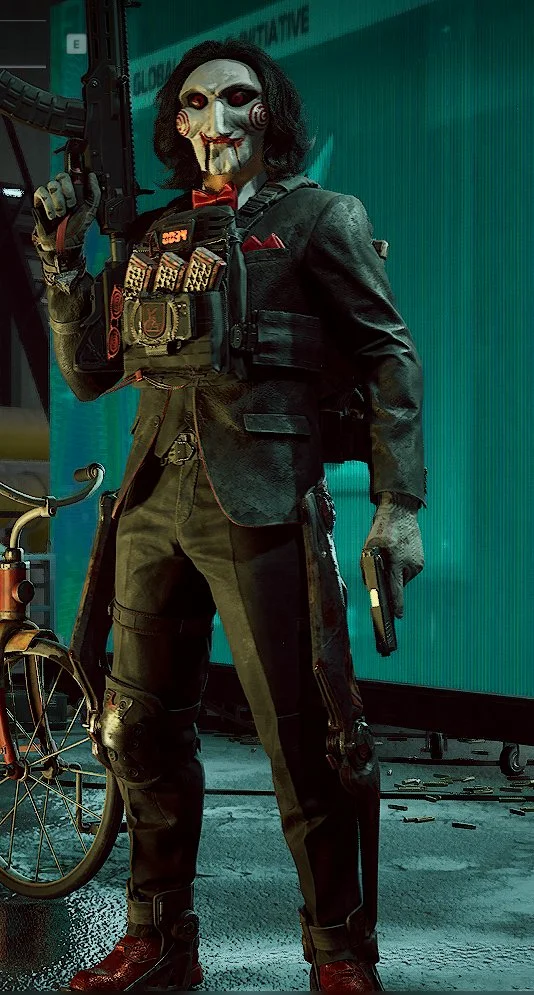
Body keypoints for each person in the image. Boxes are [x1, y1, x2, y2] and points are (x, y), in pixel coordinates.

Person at [33, 38, 425, 993]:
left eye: (236, 99)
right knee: (137, 729)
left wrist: (399, 503)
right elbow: (89, 374)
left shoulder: (320, 218)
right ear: (177, 124)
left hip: (264, 501)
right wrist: (63, 258)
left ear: (267, 112)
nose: (215, 121)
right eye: (195, 104)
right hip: (154, 501)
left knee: (303, 735)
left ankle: (339, 951)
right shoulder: (156, 234)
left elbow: (389, 356)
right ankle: (160, 938)